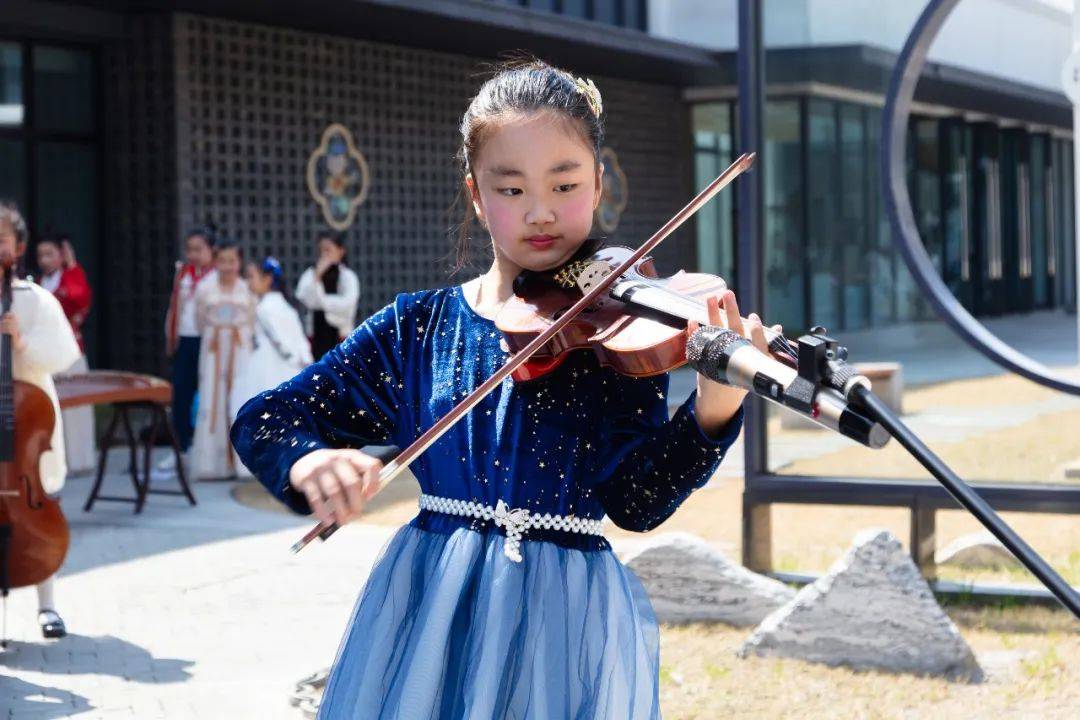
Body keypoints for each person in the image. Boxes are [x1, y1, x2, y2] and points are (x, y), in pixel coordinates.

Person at [231, 61, 775, 719]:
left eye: (565, 183)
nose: (540, 211)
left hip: (563, 616)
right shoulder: (417, 327)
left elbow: (636, 502)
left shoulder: (618, 331)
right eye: (510, 189)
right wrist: (308, 458)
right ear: (475, 194)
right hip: (432, 605)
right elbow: (268, 416)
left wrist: (713, 411)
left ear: (599, 182)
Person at [0, 201, 82, 639]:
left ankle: (47, 604)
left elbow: (65, 355)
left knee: (39, 505)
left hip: (32, 423)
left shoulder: (36, 301)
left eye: (2, 239)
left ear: (19, 246)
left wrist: (22, 340)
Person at [228, 256, 312, 475]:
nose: (248, 282)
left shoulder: (264, 308)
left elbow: (279, 341)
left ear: (267, 279)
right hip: (290, 366)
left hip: (269, 363)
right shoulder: (285, 305)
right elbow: (299, 341)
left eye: (251, 277)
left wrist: (291, 357)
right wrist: (303, 362)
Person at [190, 239, 253, 480]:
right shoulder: (205, 288)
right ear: (216, 262)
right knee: (211, 400)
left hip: (238, 352)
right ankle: (213, 464)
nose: (227, 266)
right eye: (223, 261)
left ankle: (239, 462)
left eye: (232, 261)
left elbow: (251, 322)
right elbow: (198, 321)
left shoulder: (245, 289)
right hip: (213, 352)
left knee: (238, 399)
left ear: (239, 263)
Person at [37, 234, 95, 475]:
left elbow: (78, 297)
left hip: (70, 349)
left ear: (62, 254)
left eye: (50, 254)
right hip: (46, 351)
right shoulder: (40, 282)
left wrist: (72, 266)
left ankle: (80, 460)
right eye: (40, 255)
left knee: (77, 407)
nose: (44, 260)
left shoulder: (71, 276)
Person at [161, 227, 216, 471]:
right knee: (181, 395)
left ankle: (208, 449)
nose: (193, 254)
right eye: (190, 249)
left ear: (211, 250)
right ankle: (181, 447)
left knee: (208, 395)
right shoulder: (183, 273)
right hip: (185, 339)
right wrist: (170, 335)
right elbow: (175, 307)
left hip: (207, 342)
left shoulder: (216, 276)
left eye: (199, 249)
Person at [294, 232, 359, 360]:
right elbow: (305, 297)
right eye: (321, 250)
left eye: (328, 250)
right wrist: (317, 276)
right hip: (315, 339)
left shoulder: (348, 276)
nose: (324, 254)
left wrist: (322, 302)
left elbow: (346, 304)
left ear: (340, 251)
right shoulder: (311, 273)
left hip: (340, 339)